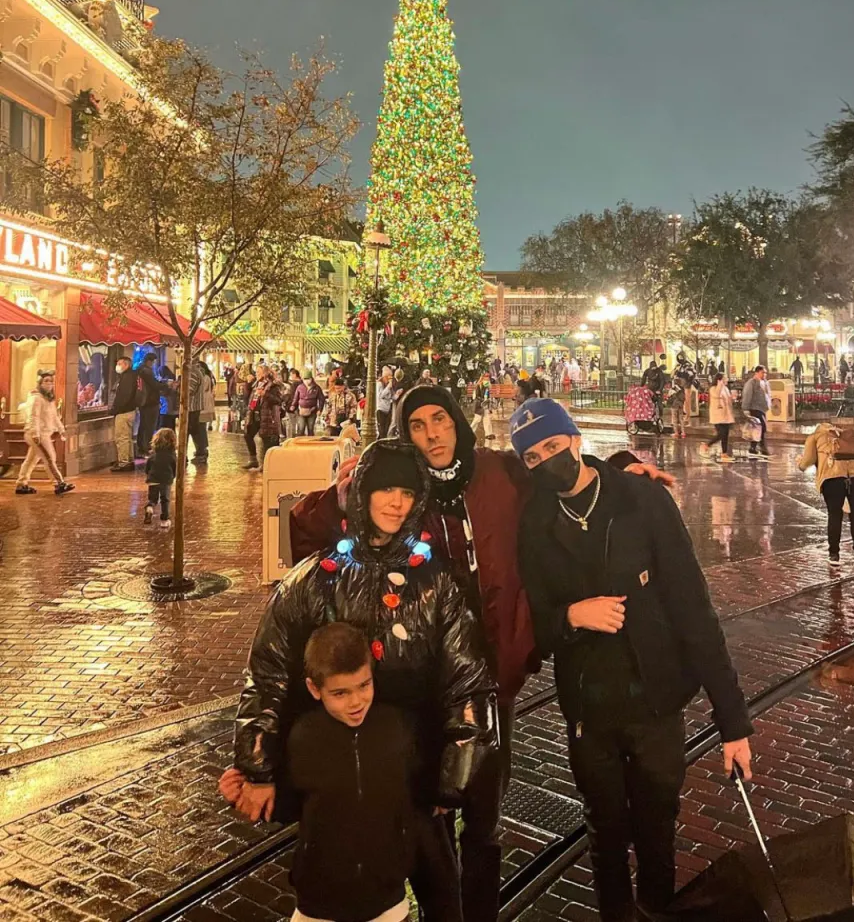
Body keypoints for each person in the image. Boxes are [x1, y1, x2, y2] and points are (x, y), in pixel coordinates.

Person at [289, 386, 671, 922]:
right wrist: (338, 491)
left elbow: (560, 472)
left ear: (456, 422)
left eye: (439, 419)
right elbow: (307, 533)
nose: (432, 434)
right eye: (417, 425)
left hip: (494, 669)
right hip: (425, 676)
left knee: (485, 814)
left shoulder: (499, 473)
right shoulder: (402, 487)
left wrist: (625, 468)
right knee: (432, 809)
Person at [222, 439, 497, 920]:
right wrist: (259, 765)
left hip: (414, 776)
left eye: (409, 493)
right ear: (364, 491)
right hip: (336, 774)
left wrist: (449, 783)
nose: (397, 502)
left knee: (441, 897)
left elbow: (467, 685)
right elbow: (267, 674)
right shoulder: (313, 580)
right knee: (336, 890)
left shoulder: (438, 583)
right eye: (386, 489)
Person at [512, 398, 753, 921]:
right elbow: (534, 618)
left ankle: (655, 910)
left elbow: (694, 610)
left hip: (655, 703)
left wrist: (732, 721)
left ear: (575, 441)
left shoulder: (642, 501)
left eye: (553, 446)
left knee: (657, 829)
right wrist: (572, 615)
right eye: (532, 458)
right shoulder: (533, 521)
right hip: (589, 711)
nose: (546, 461)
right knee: (604, 832)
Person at [232, 623, 423, 922]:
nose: (356, 701)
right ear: (314, 689)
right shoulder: (302, 737)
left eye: (364, 685)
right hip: (319, 904)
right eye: (340, 693)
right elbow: (291, 805)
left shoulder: (396, 727)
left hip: (387, 900)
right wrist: (246, 794)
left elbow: (417, 791)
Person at [798, 422, 854, 569]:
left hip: (832, 478)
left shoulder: (815, 437)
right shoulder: (851, 434)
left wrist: (799, 463)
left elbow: (805, 463)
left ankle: (834, 555)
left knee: (834, 514)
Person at [14, 372, 75, 496]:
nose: (49, 384)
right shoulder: (35, 398)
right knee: (49, 458)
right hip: (37, 434)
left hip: (44, 433)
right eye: (46, 381)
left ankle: (21, 484)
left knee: (31, 460)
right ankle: (59, 483)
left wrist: (61, 429)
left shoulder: (48, 398)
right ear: (40, 383)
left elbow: (54, 416)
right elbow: (33, 416)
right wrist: (35, 433)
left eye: (51, 381)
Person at [245, 364, 284, 469]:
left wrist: (265, 394)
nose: (256, 374)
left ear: (265, 373)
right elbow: (248, 398)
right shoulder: (256, 384)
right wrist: (248, 385)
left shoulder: (273, 385)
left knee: (267, 439)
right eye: (256, 372)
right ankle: (253, 459)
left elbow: (278, 400)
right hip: (255, 414)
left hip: (267, 415)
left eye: (258, 372)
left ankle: (268, 464)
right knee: (248, 434)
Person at [110, 355, 141, 472]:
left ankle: (123, 462)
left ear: (126, 365)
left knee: (121, 437)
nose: (117, 366)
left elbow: (124, 396)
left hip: (124, 412)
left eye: (119, 364)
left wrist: (115, 409)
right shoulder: (132, 376)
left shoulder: (127, 377)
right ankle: (129, 459)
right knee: (127, 437)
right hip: (130, 410)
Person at [144, 426, 176, 530]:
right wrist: (173, 476)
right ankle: (164, 520)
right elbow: (175, 467)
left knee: (153, 498)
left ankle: (149, 507)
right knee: (165, 499)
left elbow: (147, 467)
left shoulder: (153, 454)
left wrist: (148, 475)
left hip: (153, 479)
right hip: (165, 480)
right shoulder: (171, 455)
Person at [135, 352, 167, 458]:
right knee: (149, 426)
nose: (153, 364)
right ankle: (146, 448)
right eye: (153, 362)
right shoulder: (146, 371)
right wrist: (166, 384)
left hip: (144, 402)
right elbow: (155, 385)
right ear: (149, 361)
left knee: (144, 425)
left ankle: (142, 448)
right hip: (150, 402)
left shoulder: (140, 370)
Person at [700, 371, 735, 463]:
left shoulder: (725, 388)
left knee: (725, 435)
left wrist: (732, 398)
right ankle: (707, 445)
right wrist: (720, 385)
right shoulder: (713, 388)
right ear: (720, 380)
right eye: (725, 378)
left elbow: (727, 400)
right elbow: (717, 395)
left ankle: (724, 453)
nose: (727, 379)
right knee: (721, 434)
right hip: (717, 416)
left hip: (726, 415)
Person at [741, 365, 771, 459]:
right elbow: (747, 395)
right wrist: (746, 409)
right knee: (761, 427)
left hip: (762, 408)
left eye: (765, 372)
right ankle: (763, 448)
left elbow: (767, 395)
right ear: (757, 373)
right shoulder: (751, 383)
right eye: (763, 372)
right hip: (754, 408)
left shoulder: (765, 383)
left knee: (758, 429)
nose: (764, 374)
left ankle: (753, 448)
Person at [188, 359, 213, 465]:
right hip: (198, 407)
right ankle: (201, 452)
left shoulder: (193, 373)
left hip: (193, 407)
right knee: (198, 430)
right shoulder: (199, 373)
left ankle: (201, 453)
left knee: (197, 430)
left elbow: (189, 390)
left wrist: (177, 387)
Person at [291, 371, 326, 437]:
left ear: (311, 379)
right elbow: (296, 398)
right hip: (301, 411)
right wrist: (293, 405)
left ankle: (310, 443)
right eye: (305, 379)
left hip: (312, 411)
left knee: (310, 429)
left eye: (308, 379)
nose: (307, 381)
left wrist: (320, 409)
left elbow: (321, 399)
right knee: (301, 428)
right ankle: (300, 444)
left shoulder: (317, 388)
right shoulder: (299, 387)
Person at [157, 364, 180, 431]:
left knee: (163, 427)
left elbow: (164, 393)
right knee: (171, 427)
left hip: (165, 408)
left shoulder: (165, 381)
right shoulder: (173, 379)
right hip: (172, 408)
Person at [283, 369, 304, 439]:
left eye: (291, 374)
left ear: (295, 374)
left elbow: (292, 395)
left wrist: (290, 405)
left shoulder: (295, 384)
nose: (291, 376)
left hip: (293, 406)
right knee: (299, 423)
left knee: (291, 424)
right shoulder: (302, 382)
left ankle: (290, 439)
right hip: (301, 406)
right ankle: (300, 438)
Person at [376, 366, 395, 439]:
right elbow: (380, 395)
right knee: (382, 430)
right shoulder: (380, 384)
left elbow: (391, 397)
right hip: (380, 409)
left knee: (386, 429)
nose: (389, 380)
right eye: (388, 377)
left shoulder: (388, 385)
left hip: (388, 409)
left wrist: (397, 394)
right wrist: (388, 387)